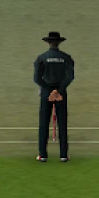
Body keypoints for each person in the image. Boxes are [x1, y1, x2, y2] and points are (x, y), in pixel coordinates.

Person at [33, 32, 75, 162]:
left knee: (43, 123)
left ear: (48, 43)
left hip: (46, 92)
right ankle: (63, 155)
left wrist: (50, 91)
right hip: (61, 93)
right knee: (62, 123)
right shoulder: (66, 57)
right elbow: (70, 77)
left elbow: (36, 78)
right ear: (59, 43)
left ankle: (43, 155)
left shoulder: (41, 58)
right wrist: (58, 90)